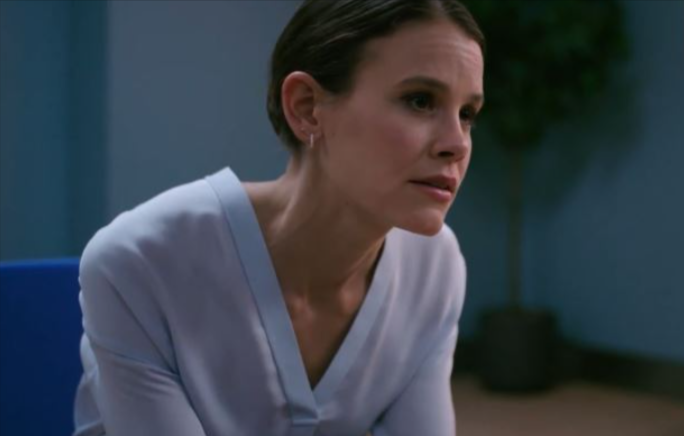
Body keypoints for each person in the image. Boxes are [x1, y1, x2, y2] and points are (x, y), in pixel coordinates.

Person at [72, 0, 485, 435]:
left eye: (467, 114)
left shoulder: (434, 265)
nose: (457, 144)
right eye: (420, 100)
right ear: (307, 107)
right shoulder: (140, 262)